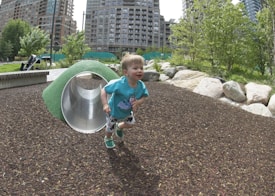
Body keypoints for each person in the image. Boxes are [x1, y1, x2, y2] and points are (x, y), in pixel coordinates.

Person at [101, 54, 149, 149]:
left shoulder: (141, 85)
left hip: (126, 112)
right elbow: (104, 90)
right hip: (113, 111)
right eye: (135, 68)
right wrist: (105, 104)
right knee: (110, 128)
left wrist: (139, 102)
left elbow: (144, 96)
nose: (139, 70)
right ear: (126, 72)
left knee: (131, 124)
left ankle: (120, 126)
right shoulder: (119, 84)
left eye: (141, 68)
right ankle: (108, 138)